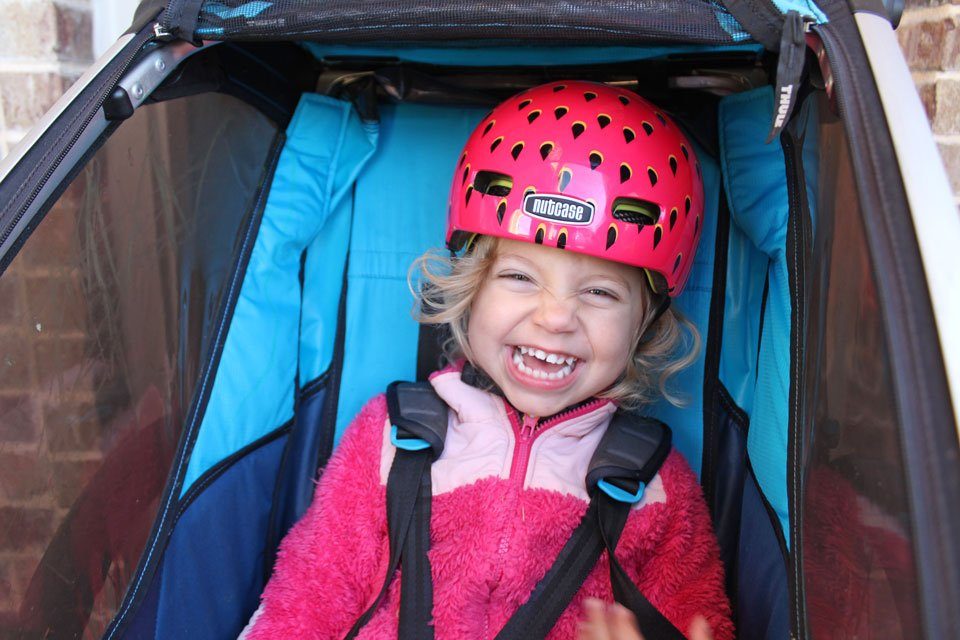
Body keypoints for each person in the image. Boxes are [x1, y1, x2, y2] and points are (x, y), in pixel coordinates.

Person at [241, 81, 732, 640]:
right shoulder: (390, 437)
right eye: (520, 277)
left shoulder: (656, 487)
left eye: (599, 292)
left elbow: (701, 622)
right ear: (469, 291)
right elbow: (308, 595)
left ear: (645, 324)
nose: (555, 317)